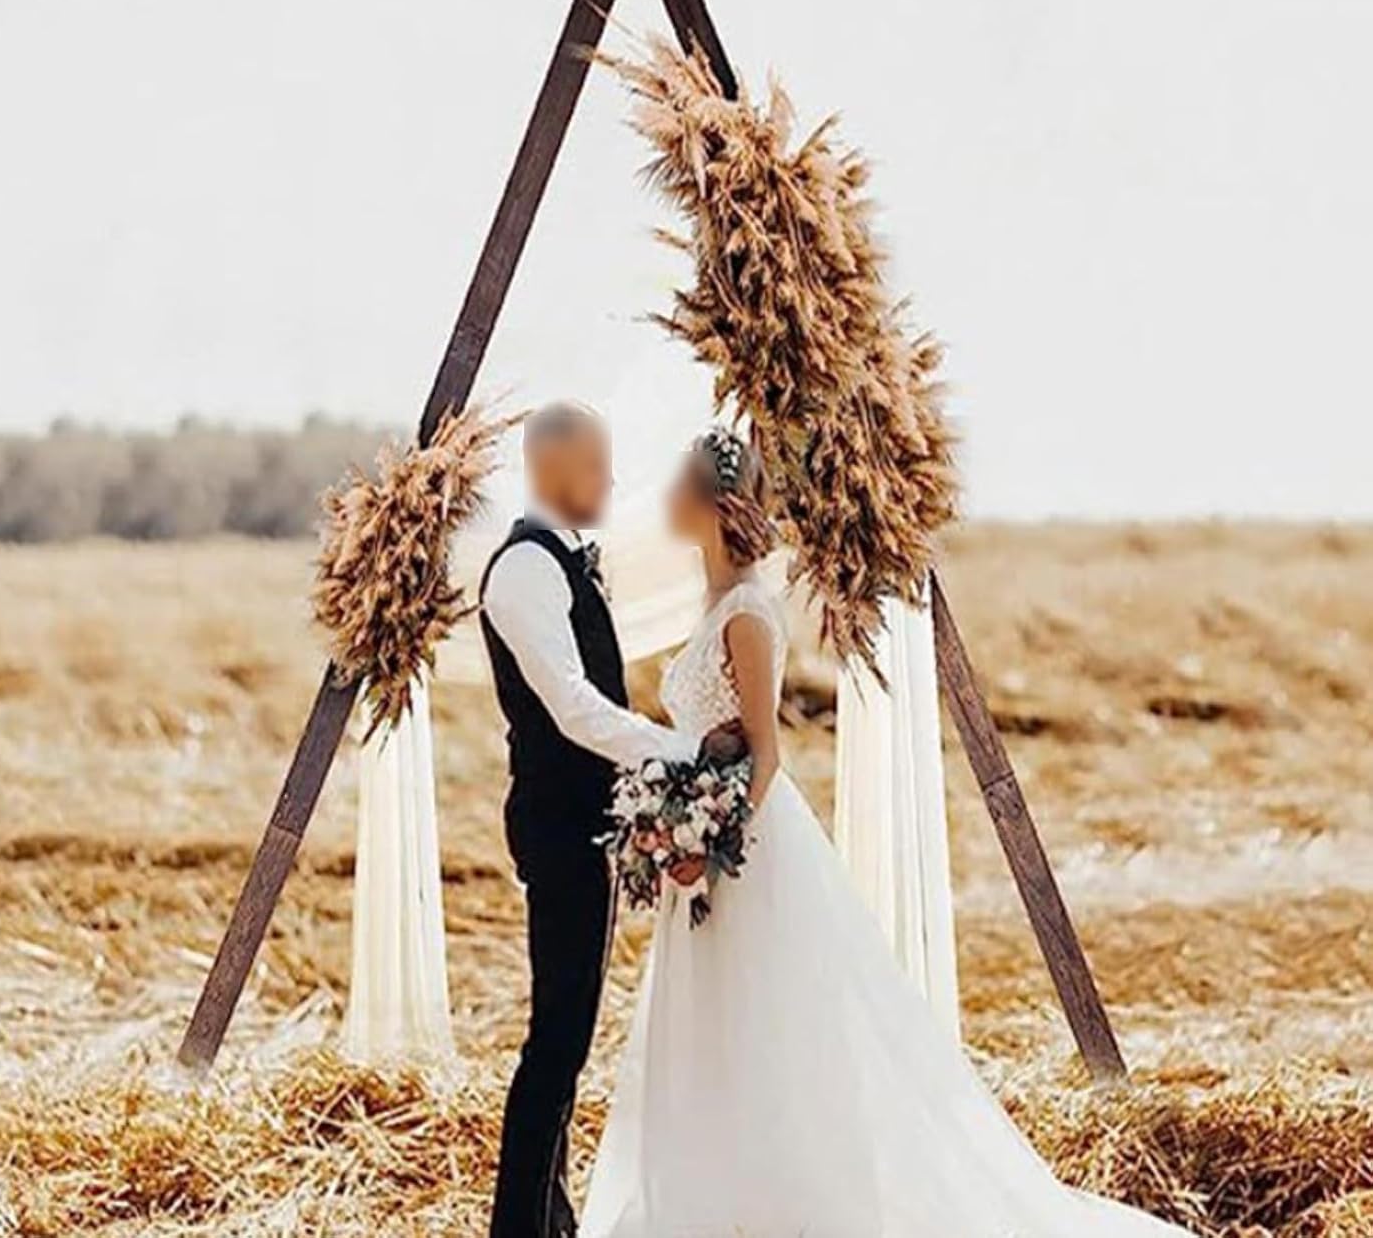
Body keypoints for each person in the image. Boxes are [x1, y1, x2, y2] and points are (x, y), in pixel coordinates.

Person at [578, 425, 1192, 1238]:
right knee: (716, 1025)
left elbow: (766, 753)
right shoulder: (713, 600)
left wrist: (708, 844)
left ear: (714, 503)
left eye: (676, 484)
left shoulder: (748, 614)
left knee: (761, 1018)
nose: (662, 499)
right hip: (705, 846)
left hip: (742, 848)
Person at [480, 401, 696, 1238]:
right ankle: (519, 1227)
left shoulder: (564, 561)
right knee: (557, 1041)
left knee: (569, 1034)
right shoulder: (525, 570)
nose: (610, 481)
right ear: (552, 468)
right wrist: (673, 751)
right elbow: (572, 706)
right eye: (596, 465)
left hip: (582, 822)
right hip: (557, 824)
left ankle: (552, 1218)